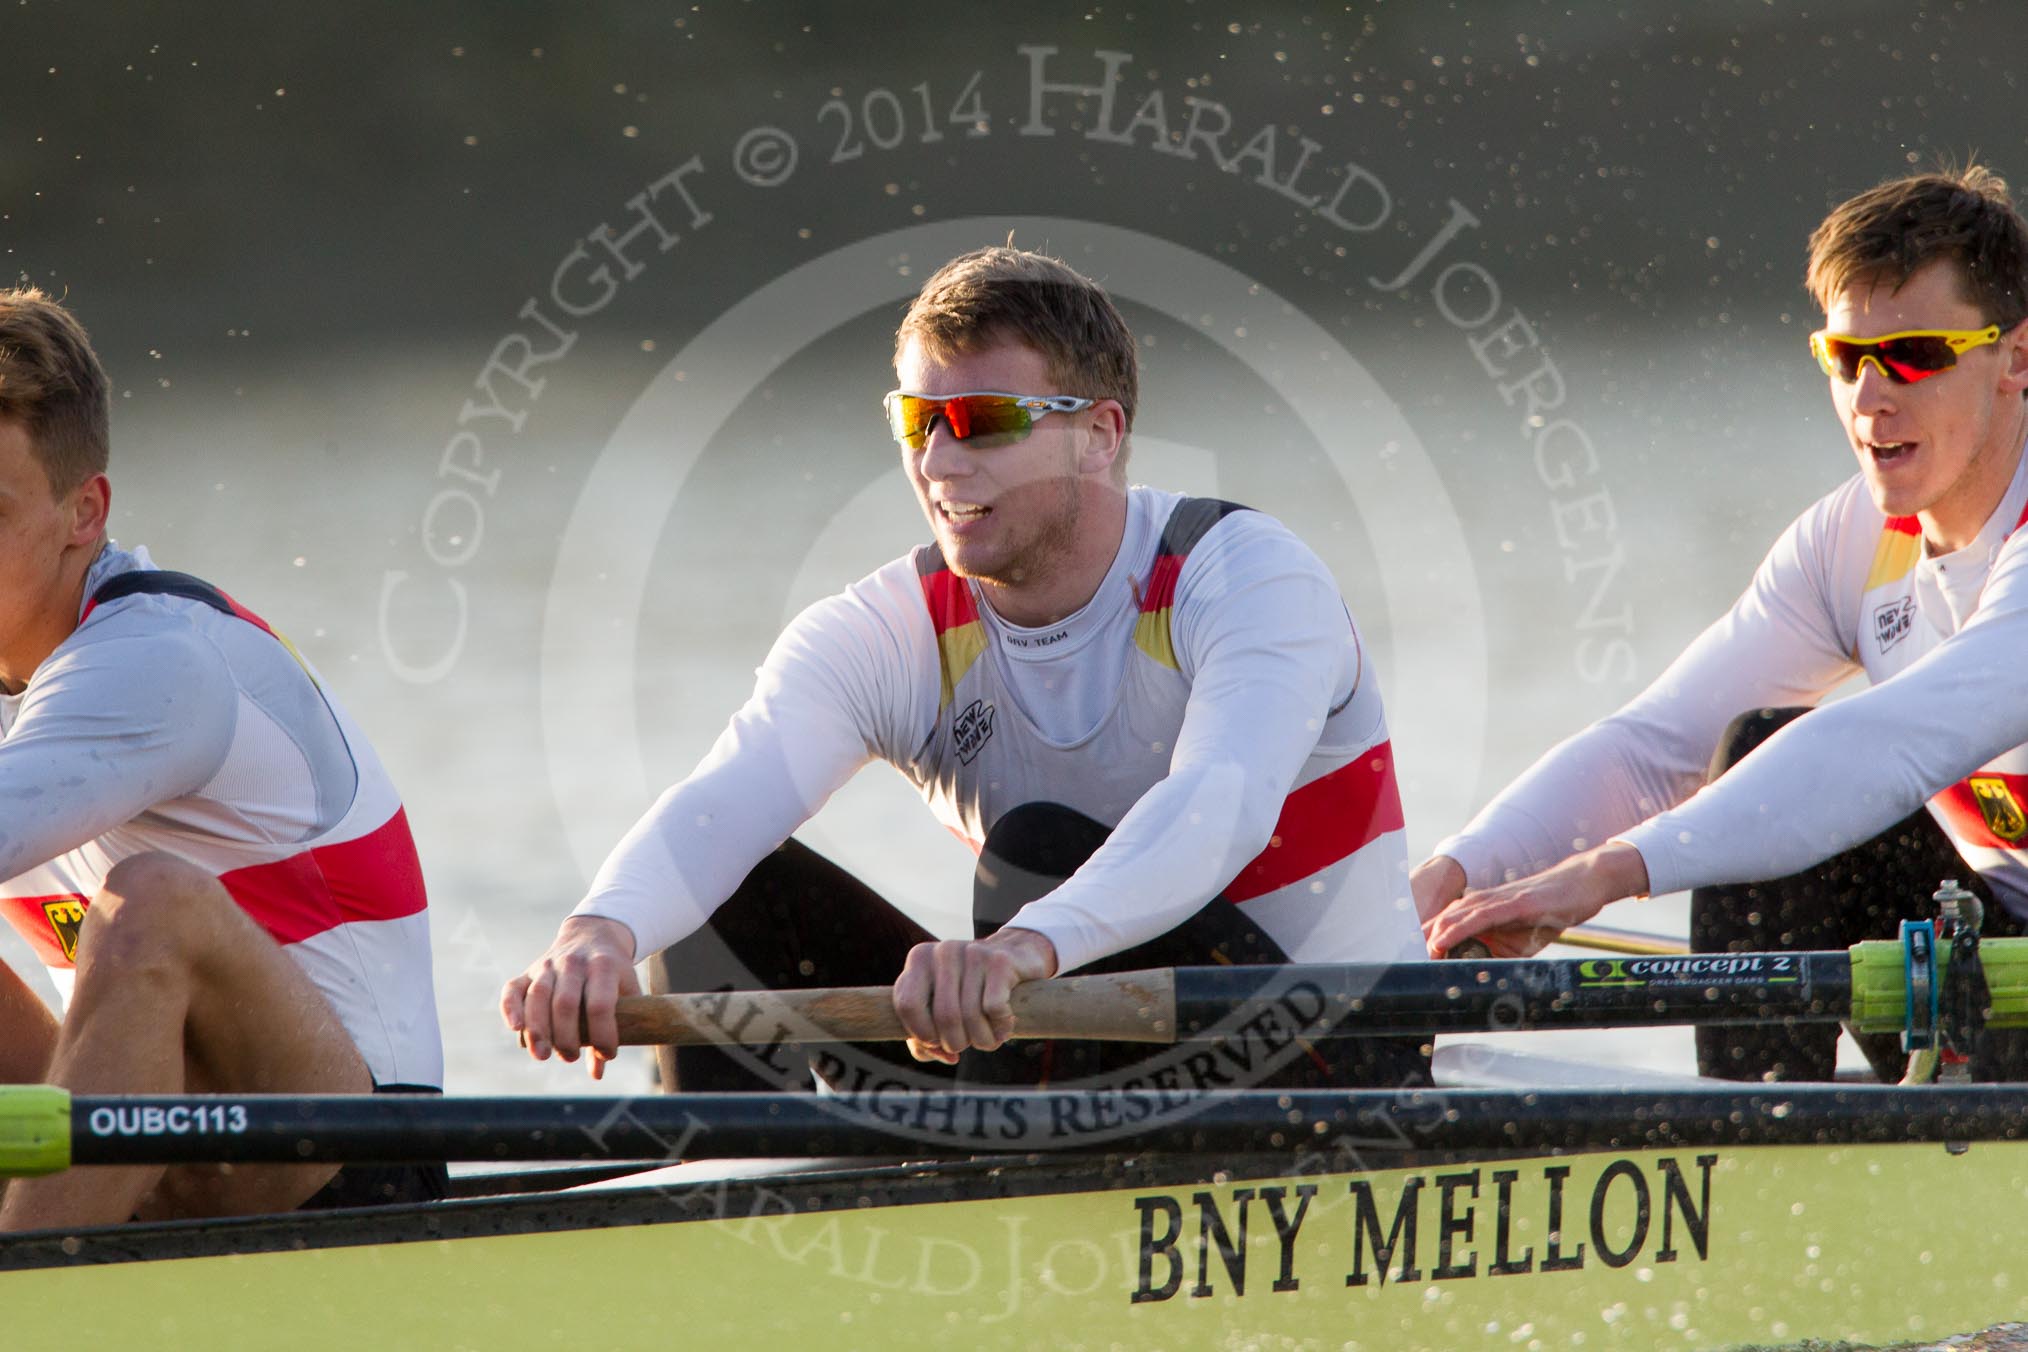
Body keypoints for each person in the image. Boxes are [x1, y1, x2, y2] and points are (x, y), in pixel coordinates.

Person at [504, 245, 1428, 1094]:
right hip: (1071, 1055)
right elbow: (724, 800)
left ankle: (986, 1180)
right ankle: (727, 1206)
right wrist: (598, 932)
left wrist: (1027, 946)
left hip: (1331, 1064)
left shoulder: (1243, 575)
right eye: (918, 420)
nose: (938, 460)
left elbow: (1215, 808)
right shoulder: (887, 631)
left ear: (1099, 435)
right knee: (727, 892)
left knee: (1038, 849)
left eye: (983, 421)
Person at [1419, 166, 2028, 1082]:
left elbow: (1891, 743)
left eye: (1914, 355)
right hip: (1997, 960)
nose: (1870, 400)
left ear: (2016, 358)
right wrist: (1456, 874)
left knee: (1792, 773)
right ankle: (1762, 1145)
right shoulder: (1850, 542)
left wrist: (1607, 872)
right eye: (1846, 358)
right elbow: (1653, 749)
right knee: (1756, 753)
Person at [0, 289, 444, 1229]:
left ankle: (29, 1295)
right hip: (158, 1133)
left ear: (85, 512)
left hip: (352, 1161)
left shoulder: (157, 660)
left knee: (152, 901)